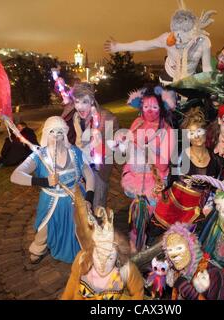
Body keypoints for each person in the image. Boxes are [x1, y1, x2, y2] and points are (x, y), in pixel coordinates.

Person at [10, 116, 95, 264]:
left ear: (65, 134)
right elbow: (15, 176)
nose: (56, 136)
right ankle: (38, 249)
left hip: (76, 199)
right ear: (46, 133)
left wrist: (89, 198)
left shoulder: (74, 152)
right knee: (45, 229)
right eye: (52, 132)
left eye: (60, 132)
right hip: (51, 200)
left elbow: (89, 174)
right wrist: (44, 181)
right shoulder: (38, 156)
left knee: (80, 227)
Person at [118, 85, 176, 252]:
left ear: (162, 108)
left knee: (143, 217)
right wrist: (124, 142)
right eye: (146, 106)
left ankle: (140, 249)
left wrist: (145, 148)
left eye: (154, 107)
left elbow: (164, 163)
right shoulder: (137, 122)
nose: (149, 111)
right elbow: (129, 147)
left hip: (153, 182)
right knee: (137, 215)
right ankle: (137, 245)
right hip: (134, 177)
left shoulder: (167, 130)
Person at [104, 1, 216, 83]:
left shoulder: (203, 42)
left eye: (182, 36)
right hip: (169, 76)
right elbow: (145, 45)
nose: (178, 39)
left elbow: (207, 68)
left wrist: (211, 86)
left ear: (192, 32)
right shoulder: (167, 39)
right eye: (175, 33)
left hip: (190, 77)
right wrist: (118, 47)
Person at [147, 108, 213, 245]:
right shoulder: (180, 156)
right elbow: (171, 180)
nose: (196, 136)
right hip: (173, 204)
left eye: (199, 131)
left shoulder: (216, 160)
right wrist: (162, 186)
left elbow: (213, 189)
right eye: (191, 133)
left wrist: (209, 206)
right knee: (155, 240)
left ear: (206, 132)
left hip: (195, 212)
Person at [61, 206, 144, 300]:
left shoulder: (127, 270)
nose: (102, 264)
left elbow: (138, 293)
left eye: (110, 258)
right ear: (91, 251)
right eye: (98, 255)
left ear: (118, 256)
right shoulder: (82, 259)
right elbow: (72, 281)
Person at [62, 82, 119, 209]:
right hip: (77, 166)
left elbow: (114, 143)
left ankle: (98, 227)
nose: (80, 107)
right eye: (77, 102)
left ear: (92, 101)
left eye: (84, 102)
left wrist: (114, 142)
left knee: (97, 205)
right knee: (79, 206)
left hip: (97, 169)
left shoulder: (107, 117)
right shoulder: (73, 117)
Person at [162, 223, 224, 300]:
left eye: (179, 248)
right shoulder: (178, 273)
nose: (174, 255)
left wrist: (188, 291)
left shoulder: (213, 274)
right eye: (170, 250)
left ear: (191, 247)